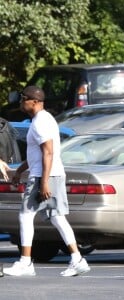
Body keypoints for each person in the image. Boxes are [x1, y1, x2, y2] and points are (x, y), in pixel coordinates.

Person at [3, 86, 90, 277]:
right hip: (49, 174)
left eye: (23, 98)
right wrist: (19, 171)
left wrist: (44, 182)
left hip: (44, 176)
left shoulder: (41, 122)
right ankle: (77, 259)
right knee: (57, 218)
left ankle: (26, 262)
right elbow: (36, 154)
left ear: (34, 101)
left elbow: (48, 152)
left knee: (25, 216)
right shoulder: (43, 120)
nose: (20, 102)